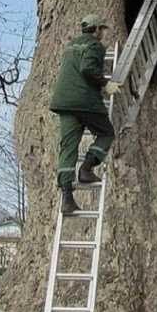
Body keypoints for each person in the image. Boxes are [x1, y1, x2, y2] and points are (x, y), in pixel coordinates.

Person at [50, 14, 121, 214]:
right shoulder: (95, 46)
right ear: (96, 29)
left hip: (64, 103)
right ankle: (87, 168)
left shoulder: (70, 46)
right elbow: (88, 68)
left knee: (68, 147)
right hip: (84, 100)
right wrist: (106, 83)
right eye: (102, 29)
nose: (103, 33)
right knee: (106, 133)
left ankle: (67, 199)